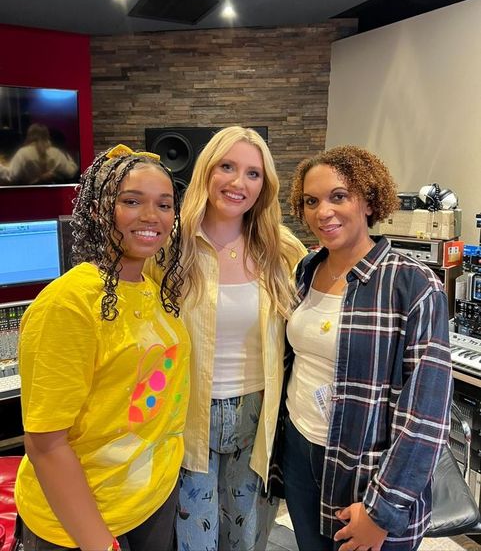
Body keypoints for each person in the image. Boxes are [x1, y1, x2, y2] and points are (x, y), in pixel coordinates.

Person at [14, 143, 190, 551]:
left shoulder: (153, 287)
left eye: (164, 204)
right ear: (96, 209)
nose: (152, 216)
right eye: (132, 201)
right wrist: (98, 543)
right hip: (81, 524)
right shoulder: (67, 304)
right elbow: (46, 444)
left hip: (149, 502)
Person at [282, 145, 452, 551]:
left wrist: (383, 510)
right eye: (311, 201)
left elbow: (426, 417)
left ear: (370, 200)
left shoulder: (412, 284)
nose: (323, 212)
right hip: (300, 450)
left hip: (365, 472)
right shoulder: (306, 268)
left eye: (338, 196)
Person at [148, 126, 306, 551]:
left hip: (258, 415)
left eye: (253, 174)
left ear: (265, 185)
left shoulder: (283, 250)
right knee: (192, 540)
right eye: (228, 167)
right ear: (206, 171)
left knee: (246, 537)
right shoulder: (168, 247)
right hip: (184, 415)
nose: (239, 183)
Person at [0, 123, 78, 185]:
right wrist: (68, 157)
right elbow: (71, 172)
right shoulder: (56, 153)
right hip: (53, 195)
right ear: (47, 135)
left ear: (29, 135)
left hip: (30, 195)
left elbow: (11, 176)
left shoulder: (23, 153)